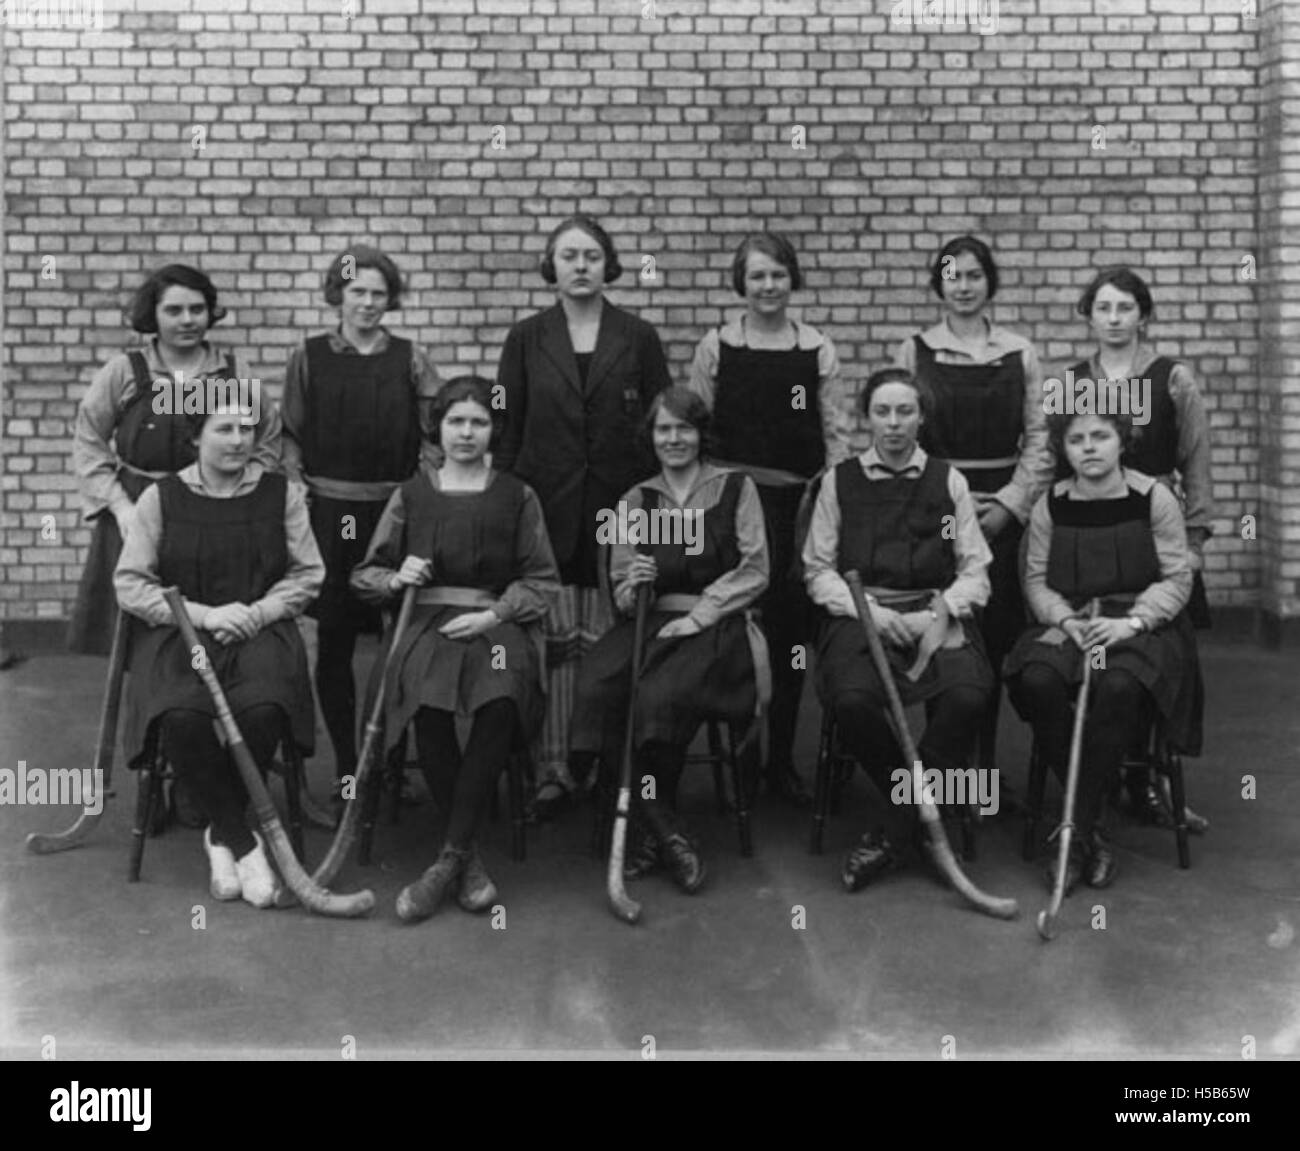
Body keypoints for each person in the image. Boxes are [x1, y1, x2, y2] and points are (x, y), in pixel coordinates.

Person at [350, 378, 560, 923]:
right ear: (437, 428)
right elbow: (365, 575)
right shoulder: (412, 494)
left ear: (494, 430)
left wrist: (494, 614)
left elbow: (541, 578)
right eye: (456, 422)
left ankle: (448, 859)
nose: (466, 433)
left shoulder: (518, 494)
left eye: (479, 422)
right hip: (427, 627)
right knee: (429, 702)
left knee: (499, 698)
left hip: (492, 624)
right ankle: (463, 857)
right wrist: (398, 577)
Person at [494, 214, 672, 819]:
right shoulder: (526, 338)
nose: (580, 266)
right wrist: (511, 504)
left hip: (618, 508)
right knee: (554, 639)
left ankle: (601, 763)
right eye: (568, 256)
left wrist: (652, 504)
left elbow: (659, 430)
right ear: (552, 265)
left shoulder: (638, 336)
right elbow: (507, 427)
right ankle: (552, 769)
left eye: (592, 256)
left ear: (608, 265)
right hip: (548, 505)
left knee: (610, 639)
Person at [114, 402, 324, 908]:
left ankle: (219, 831)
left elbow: (308, 573)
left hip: (260, 629)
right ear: (195, 436)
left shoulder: (283, 495)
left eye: (246, 429)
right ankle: (244, 843)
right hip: (183, 634)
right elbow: (131, 582)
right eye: (223, 429)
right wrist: (206, 615)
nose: (237, 440)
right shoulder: (160, 498)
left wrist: (260, 610)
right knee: (181, 715)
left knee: (265, 707)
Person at [570, 387, 770, 892]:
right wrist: (633, 581)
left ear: (701, 434)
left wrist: (701, 614)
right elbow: (619, 591)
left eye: (684, 428)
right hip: (649, 622)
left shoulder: (735, 488)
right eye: (664, 429)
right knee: (599, 687)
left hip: (716, 626)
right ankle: (666, 831)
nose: (674, 439)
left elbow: (756, 568)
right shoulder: (637, 499)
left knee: (658, 696)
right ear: (651, 437)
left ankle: (653, 831)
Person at [802, 368, 994, 892]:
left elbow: (973, 568)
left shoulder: (947, 481)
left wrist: (939, 612)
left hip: (933, 614)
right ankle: (919, 812)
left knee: (969, 695)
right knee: (851, 699)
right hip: (861, 616)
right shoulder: (839, 483)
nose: (893, 424)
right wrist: (868, 610)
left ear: (921, 417)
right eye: (882, 412)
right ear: (866, 418)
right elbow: (818, 570)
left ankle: (894, 828)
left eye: (904, 411)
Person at [686, 231, 853, 806]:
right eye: (757, 275)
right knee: (735, 630)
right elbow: (695, 431)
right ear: (742, 281)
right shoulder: (717, 348)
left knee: (787, 638)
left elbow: (834, 434)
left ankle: (780, 762)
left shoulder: (816, 349)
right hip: (732, 505)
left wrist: (829, 502)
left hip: (793, 509)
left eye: (778, 274)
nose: (768, 286)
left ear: (792, 279)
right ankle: (740, 762)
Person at [1003, 409, 1198, 891]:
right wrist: (1065, 619)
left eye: (1100, 436)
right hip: (1072, 624)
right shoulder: (1051, 503)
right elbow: (1035, 582)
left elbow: (1177, 578)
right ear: (1064, 450)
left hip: (1139, 626)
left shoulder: (1154, 497)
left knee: (1117, 686)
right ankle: (1089, 826)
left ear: (1121, 442)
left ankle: (1076, 831)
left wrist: (1132, 622)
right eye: (1076, 440)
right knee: (1038, 679)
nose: (1089, 447)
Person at [280, 247, 443, 800]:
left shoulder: (410, 358)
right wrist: (296, 492)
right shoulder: (307, 357)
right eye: (357, 292)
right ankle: (350, 765)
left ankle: (388, 762)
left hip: (392, 514)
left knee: (399, 639)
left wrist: (422, 493)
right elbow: (290, 438)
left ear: (390, 298)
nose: (368, 303)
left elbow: (435, 433)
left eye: (378, 293)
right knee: (335, 639)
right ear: (338, 295)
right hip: (332, 515)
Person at [893, 236, 1053, 794]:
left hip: (1002, 512)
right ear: (938, 285)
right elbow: (903, 438)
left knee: (995, 638)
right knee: (948, 635)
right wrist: (952, 507)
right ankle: (944, 775)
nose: (963, 286)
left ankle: (982, 773)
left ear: (991, 282)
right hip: (939, 507)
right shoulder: (915, 351)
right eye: (952, 275)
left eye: (974, 275)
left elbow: (1039, 441)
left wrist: (1010, 505)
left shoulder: (1021, 353)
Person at [1060, 266, 1214, 829]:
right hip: (1095, 530)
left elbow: (1196, 460)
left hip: (1158, 527)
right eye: (1103, 308)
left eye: (1126, 308)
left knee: (1156, 654)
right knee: (1098, 655)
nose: (1115, 319)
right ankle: (1091, 774)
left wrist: (1194, 542)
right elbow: (1059, 461)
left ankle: (1145, 781)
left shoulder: (1173, 378)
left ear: (1143, 315)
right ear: (1090, 316)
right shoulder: (1072, 380)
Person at [71, 263, 282, 656]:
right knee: (139, 636)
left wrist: (242, 493)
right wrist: (120, 507)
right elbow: (89, 442)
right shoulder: (125, 372)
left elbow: (268, 438)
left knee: (213, 625)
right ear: (153, 315)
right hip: (138, 511)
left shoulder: (234, 373)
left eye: (197, 309)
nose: (188, 320)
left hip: (212, 514)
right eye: (174, 310)